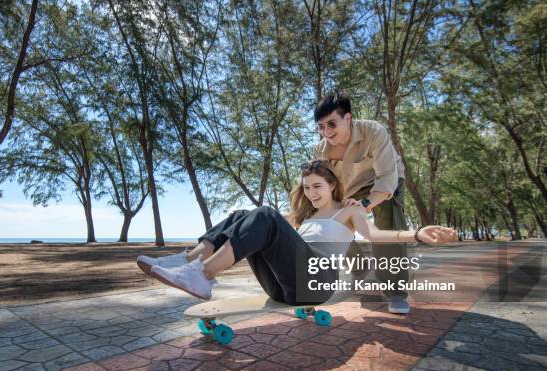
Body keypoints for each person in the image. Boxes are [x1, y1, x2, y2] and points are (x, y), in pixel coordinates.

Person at [136, 160, 456, 306]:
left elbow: (373, 235)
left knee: (263, 213)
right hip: (283, 289)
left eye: (318, 186)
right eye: (307, 188)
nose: (313, 192)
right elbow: (257, 227)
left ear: (332, 184)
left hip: (317, 283)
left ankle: (203, 274)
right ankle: (187, 260)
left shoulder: (349, 210)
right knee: (242, 214)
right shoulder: (305, 216)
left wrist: (415, 234)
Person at [313, 90, 411, 314]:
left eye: (331, 124)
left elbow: (387, 177)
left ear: (347, 118)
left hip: (386, 179)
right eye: (320, 126)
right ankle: (358, 266)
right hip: (350, 188)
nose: (326, 132)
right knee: (329, 221)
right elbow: (322, 189)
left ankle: (395, 291)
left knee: (387, 223)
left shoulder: (373, 131)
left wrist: (364, 205)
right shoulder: (320, 151)